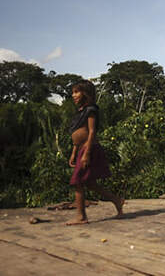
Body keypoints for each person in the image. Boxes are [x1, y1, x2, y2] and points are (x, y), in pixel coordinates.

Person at [66, 80, 123, 225]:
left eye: (77, 92)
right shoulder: (80, 112)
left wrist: (86, 153)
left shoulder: (91, 109)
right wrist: (74, 152)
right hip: (81, 148)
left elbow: (91, 132)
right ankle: (117, 200)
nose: (74, 95)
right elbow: (77, 134)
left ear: (85, 93)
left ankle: (81, 217)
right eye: (73, 92)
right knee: (90, 184)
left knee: (77, 181)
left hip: (89, 148)